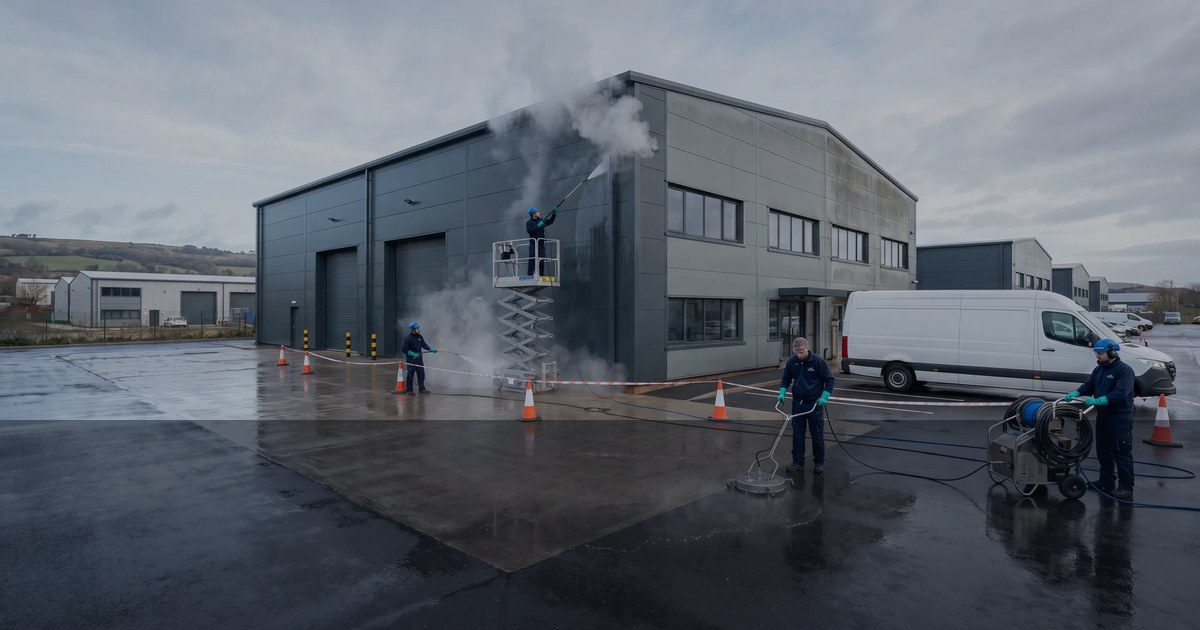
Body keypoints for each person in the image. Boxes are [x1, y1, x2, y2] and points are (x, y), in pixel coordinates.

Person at [1064, 338, 1136, 498]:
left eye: (1101, 353)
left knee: (1121, 452)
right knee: (1103, 451)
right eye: (1097, 353)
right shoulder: (1099, 370)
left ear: (1112, 352)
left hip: (1119, 417)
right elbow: (1089, 385)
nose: (1098, 356)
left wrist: (1099, 400)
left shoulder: (1124, 370)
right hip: (1104, 416)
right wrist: (1076, 392)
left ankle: (1126, 487)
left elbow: (1120, 393)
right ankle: (1106, 481)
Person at [777, 336, 835, 474]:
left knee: (817, 435)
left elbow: (830, 379)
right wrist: (782, 392)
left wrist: (825, 396)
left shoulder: (818, 361)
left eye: (802, 351)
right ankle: (797, 462)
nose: (799, 354)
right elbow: (786, 378)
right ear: (793, 350)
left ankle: (819, 462)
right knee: (797, 435)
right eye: (797, 352)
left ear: (807, 348)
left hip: (814, 404)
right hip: (798, 404)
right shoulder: (792, 362)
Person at [400, 321, 437, 395]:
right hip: (411, 360)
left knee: (421, 374)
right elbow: (404, 349)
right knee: (410, 375)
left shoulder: (420, 337)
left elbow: (424, 345)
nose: (418, 329)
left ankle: (422, 388)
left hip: (419, 360)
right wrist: (412, 353)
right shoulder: (408, 338)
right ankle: (409, 390)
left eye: (418, 328)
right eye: (417, 328)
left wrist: (430, 349)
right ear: (413, 329)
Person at [525, 207, 557, 276]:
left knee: (541, 258)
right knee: (532, 257)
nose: (539, 213)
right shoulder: (529, 222)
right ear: (533, 214)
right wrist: (538, 226)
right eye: (537, 212)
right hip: (534, 243)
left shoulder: (541, 221)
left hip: (541, 243)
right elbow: (530, 231)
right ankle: (530, 274)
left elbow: (550, 221)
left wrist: (554, 214)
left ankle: (541, 273)